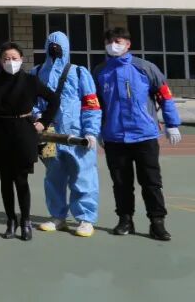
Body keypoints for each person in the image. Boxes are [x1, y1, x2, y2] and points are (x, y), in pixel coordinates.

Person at [94, 27, 183, 241]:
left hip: (145, 135)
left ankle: (157, 222)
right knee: (121, 183)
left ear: (128, 44)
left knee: (151, 182)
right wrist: (96, 130)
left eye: (118, 41)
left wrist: (172, 123)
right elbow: (94, 105)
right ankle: (125, 220)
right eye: (109, 41)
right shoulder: (100, 72)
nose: (113, 45)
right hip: (115, 137)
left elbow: (164, 96)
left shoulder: (145, 68)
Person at [0, 42, 59, 241]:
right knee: (5, 181)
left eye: (14, 58)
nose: (10, 62)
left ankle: (25, 221)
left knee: (21, 180)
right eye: (6, 58)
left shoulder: (31, 81)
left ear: (21, 60)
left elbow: (53, 99)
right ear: (0, 61)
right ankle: (10, 220)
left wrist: (43, 122)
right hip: (0, 134)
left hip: (24, 132)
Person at [30, 31, 101, 238]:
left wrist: (91, 131)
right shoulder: (36, 72)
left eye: (58, 46)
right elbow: (32, 102)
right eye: (51, 45)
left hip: (77, 135)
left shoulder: (78, 72)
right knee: (54, 177)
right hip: (50, 135)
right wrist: (38, 118)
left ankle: (85, 219)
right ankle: (58, 216)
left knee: (83, 176)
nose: (54, 49)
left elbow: (90, 104)